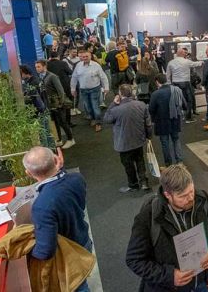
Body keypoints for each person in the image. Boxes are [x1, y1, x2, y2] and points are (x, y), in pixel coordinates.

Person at [126, 165, 208, 292]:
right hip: (172, 287)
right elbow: (134, 260)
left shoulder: (201, 198)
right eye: (183, 196)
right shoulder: (149, 216)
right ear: (167, 195)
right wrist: (169, 276)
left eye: (191, 191)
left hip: (204, 281)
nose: (190, 198)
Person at [23, 146, 92, 292]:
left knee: (78, 287)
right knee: (81, 280)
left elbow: (46, 250)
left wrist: (28, 252)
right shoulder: (77, 179)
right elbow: (64, 184)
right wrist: (60, 169)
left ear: (28, 173)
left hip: (68, 254)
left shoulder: (41, 205)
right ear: (56, 160)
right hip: (83, 240)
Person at [103, 84, 153, 193]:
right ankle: (144, 182)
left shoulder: (116, 110)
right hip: (138, 140)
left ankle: (133, 185)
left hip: (123, 143)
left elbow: (106, 119)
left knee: (128, 165)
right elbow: (148, 123)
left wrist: (113, 103)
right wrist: (149, 136)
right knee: (140, 161)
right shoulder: (141, 105)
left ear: (120, 94)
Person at [35, 60, 75, 149]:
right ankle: (59, 139)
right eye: (36, 67)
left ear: (44, 66)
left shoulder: (52, 76)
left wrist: (61, 103)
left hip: (57, 104)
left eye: (38, 67)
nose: (37, 69)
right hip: (49, 104)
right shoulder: (41, 77)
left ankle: (70, 139)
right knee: (55, 122)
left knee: (62, 122)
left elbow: (60, 91)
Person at [149, 74, 185, 166]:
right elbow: (184, 105)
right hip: (175, 120)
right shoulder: (177, 90)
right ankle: (179, 161)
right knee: (176, 140)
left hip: (161, 122)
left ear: (157, 82)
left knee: (165, 143)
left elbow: (151, 109)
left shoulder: (155, 94)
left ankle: (168, 164)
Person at [71, 49, 110, 133]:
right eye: (83, 57)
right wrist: (73, 89)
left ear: (90, 56)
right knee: (88, 107)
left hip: (95, 89)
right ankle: (93, 119)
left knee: (95, 106)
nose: (85, 58)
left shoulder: (96, 65)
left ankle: (98, 123)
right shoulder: (78, 65)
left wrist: (106, 87)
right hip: (83, 90)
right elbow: (74, 77)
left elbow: (103, 77)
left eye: (87, 56)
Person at [166, 49, 203, 123]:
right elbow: (195, 64)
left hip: (175, 83)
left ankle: (178, 117)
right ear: (183, 54)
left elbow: (168, 75)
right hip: (185, 83)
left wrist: (169, 83)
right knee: (188, 100)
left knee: (177, 100)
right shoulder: (186, 61)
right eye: (185, 53)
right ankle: (188, 118)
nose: (186, 54)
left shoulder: (171, 62)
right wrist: (202, 62)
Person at [48, 53, 74, 126]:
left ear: (50, 57)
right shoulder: (63, 63)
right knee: (67, 104)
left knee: (56, 105)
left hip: (53, 88)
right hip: (64, 86)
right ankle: (68, 122)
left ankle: (59, 123)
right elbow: (70, 72)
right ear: (58, 56)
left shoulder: (47, 64)